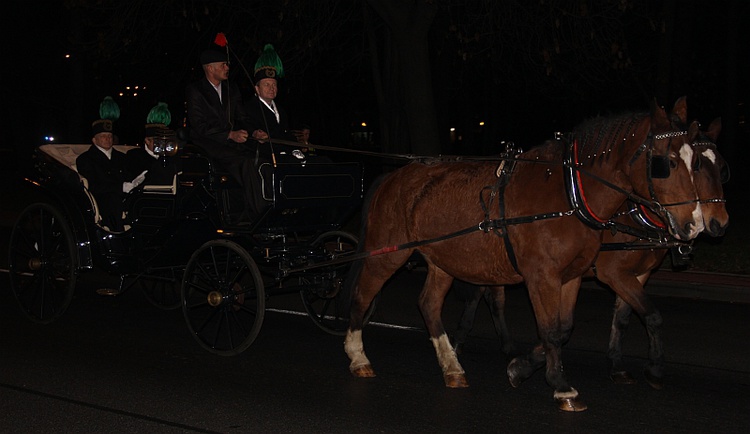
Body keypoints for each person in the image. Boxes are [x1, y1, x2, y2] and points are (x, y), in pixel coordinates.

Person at [185, 47, 265, 222]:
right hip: (207, 143)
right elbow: (200, 126)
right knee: (244, 161)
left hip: (229, 141)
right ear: (210, 68)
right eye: (223, 65)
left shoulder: (232, 89)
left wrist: (254, 132)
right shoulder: (196, 91)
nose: (227, 68)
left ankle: (262, 205)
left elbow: (241, 117)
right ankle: (257, 213)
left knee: (259, 157)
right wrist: (229, 135)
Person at [76, 97, 145, 232]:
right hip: (103, 199)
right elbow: (93, 185)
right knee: (112, 202)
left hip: (126, 195)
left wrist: (135, 182)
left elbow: (129, 173)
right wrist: (121, 187)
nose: (107, 139)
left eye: (109, 136)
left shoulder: (121, 157)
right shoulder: (85, 159)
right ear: (94, 140)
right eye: (103, 136)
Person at [246, 44, 298, 144]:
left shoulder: (281, 111)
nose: (272, 88)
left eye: (274, 84)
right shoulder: (248, 109)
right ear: (257, 88)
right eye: (267, 84)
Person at [125, 102, 179, 186]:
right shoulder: (134, 156)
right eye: (157, 140)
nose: (162, 144)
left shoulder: (171, 157)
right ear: (147, 140)